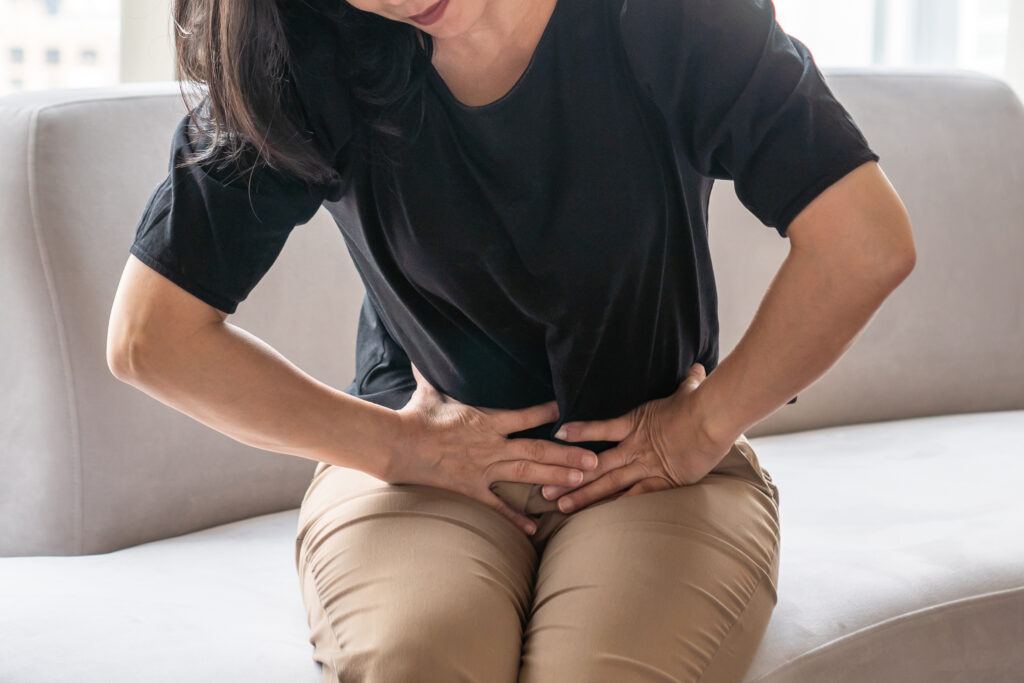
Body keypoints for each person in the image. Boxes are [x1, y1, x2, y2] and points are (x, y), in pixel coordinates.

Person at [107, 0, 916, 680]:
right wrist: (395, 448)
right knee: (416, 660)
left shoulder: (667, 15)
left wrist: (701, 428)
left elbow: (864, 241)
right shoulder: (306, 47)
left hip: (653, 473)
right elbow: (152, 335)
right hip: (419, 474)